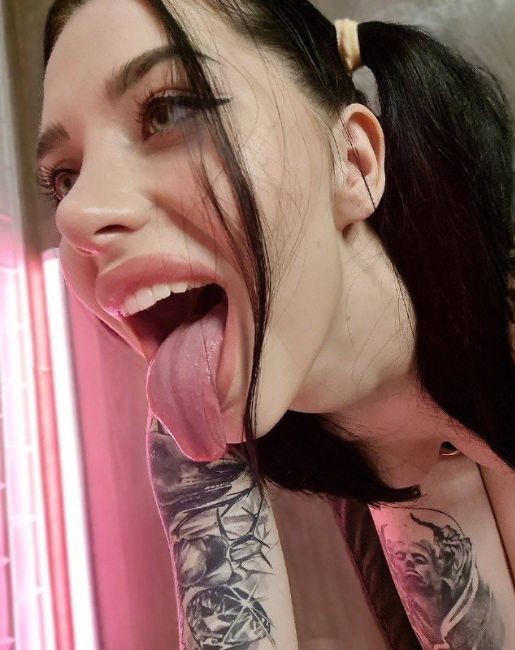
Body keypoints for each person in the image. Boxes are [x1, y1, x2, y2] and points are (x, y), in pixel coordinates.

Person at [38, 0, 515, 647]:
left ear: (352, 161)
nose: (74, 217)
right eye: (64, 178)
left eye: (169, 111)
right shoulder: (198, 417)